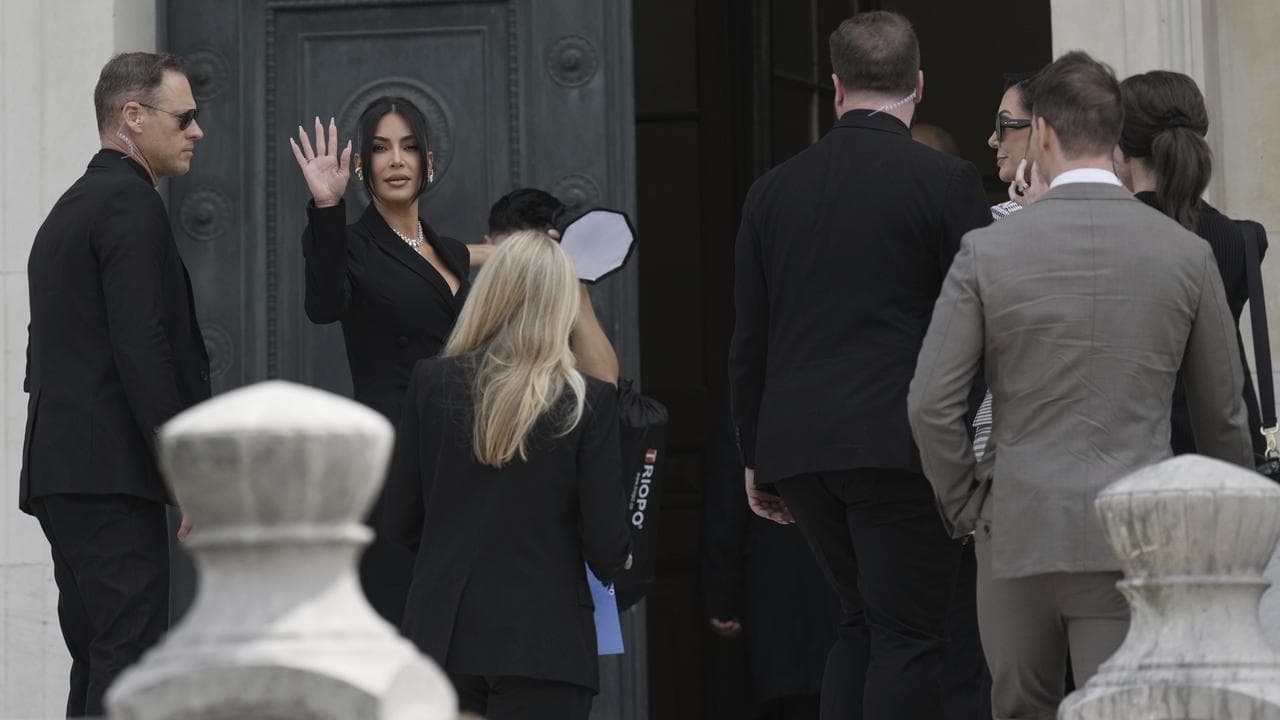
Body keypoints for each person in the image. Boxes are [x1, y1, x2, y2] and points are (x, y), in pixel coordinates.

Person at [908, 51, 1255, 719]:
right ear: (1116, 133)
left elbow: (931, 404)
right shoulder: (1187, 254)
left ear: (1042, 133)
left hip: (1016, 526)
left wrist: (966, 507)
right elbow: (1224, 417)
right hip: (1136, 535)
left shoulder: (989, 250)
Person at [727, 11, 992, 719]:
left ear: (836, 87)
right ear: (920, 85)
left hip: (802, 448)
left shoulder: (772, 192)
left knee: (857, 622)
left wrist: (756, 455)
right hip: (905, 445)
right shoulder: (947, 181)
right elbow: (980, 328)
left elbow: (749, 339)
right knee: (908, 633)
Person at [20, 51, 210, 718]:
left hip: (61, 473)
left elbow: (44, 350)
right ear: (133, 117)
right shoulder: (130, 205)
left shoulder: (67, 211)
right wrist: (183, 465)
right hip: (111, 476)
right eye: (183, 117)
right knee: (128, 660)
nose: (197, 131)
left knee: (100, 658)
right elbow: (142, 344)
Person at [382, 230, 632, 720]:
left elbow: (400, 522)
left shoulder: (431, 384)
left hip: (443, 635)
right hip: (547, 642)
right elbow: (606, 544)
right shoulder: (587, 403)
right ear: (560, 303)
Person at [290, 98, 470, 625]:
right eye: (381, 148)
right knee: (401, 611)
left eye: (409, 147)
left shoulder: (452, 252)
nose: (397, 160)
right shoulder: (351, 246)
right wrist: (326, 207)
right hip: (394, 452)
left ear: (429, 162)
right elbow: (323, 307)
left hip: (457, 448)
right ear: (362, 166)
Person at [1112, 69, 1268, 459]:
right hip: (1224, 454)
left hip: (1141, 457)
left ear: (1122, 148)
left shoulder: (1113, 238)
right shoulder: (1242, 238)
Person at [702, 396, 839, 720]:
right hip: (843, 584)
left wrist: (721, 596)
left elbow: (725, 502)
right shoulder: (858, 380)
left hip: (776, 589)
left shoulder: (753, 392)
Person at [485, 188, 619, 385]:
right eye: (512, 255)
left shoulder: (569, 312)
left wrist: (572, 275)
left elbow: (606, 385)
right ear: (488, 246)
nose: (522, 274)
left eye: (537, 256)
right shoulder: (463, 303)